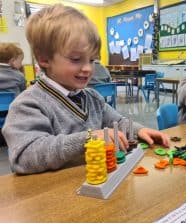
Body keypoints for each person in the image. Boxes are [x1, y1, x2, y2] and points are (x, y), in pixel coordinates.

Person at [2, 4, 169, 175]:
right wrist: (88, 139)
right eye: (76, 59)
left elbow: (118, 122)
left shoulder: (92, 97)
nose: (88, 69)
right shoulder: (28, 104)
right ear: (44, 59)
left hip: (96, 184)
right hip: (55, 195)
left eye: (92, 60)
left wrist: (139, 130)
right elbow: (25, 157)